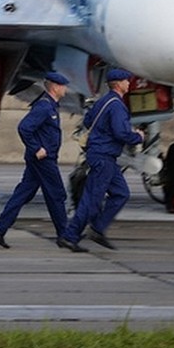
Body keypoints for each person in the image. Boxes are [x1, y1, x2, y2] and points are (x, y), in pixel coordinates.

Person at [58, 68, 143, 252]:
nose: (129, 83)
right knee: (92, 200)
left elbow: (88, 121)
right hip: (103, 157)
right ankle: (70, 236)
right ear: (119, 84)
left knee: (121, 193)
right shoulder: (117, 106)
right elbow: (121, 133)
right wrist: (138, 137)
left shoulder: (103, 101)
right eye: (127, 81)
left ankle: (97, 229)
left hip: (105, 157)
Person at [0, 71, 71, 249]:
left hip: (42, 160)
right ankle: (64, 235)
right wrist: (36, 148)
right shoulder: (44, 106)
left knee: (24, 193)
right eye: (63, 86)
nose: (66, 89)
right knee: (57, 195)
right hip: (43, 160)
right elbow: (24, 127)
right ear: (55, 87)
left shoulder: (52, 106)